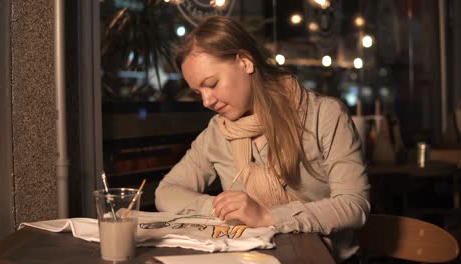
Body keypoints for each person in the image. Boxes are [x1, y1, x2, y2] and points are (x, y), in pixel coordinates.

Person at [155, 16, 370, 263]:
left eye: (212, 84)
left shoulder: (324, 115)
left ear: (245, 62)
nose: (206, 101)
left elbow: (355, 205)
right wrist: (222, 207)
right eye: (198, 92)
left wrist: (268, 217)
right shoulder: (217, 131)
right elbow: (166, 192)